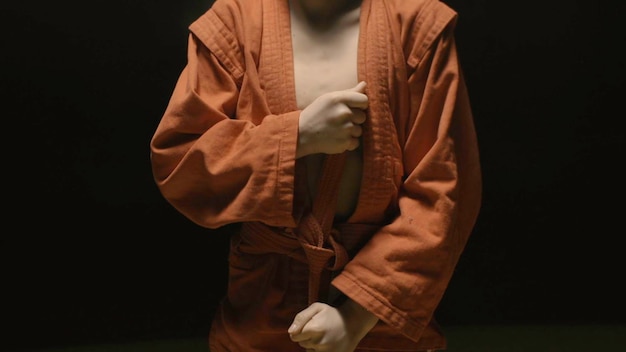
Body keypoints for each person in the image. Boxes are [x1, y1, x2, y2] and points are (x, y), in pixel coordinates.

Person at [150, 0, 482, 350]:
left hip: (383, 316)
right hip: (261, 311)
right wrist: (295, 137)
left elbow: (442, 194)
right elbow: (182, 163)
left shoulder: (416, 23)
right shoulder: (235, 20)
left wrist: (354, 318)